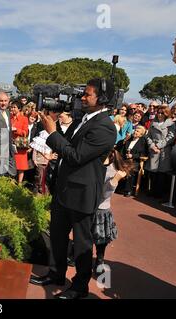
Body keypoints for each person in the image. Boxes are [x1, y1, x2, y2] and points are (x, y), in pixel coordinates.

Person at [30, 78, 117, 299]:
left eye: (87, 94)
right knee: (58, 237)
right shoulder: (82, 119)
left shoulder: (105, 127)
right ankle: (57, 274)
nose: (82, 98)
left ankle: (80, 287)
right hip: (64, 190)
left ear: (102, 98)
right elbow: (64, 144)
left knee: (81, 244)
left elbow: (76, 156)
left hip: (82, 194)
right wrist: (52, 123)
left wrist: (52, 133)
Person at [92, 149, 132, 276]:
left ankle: (99, 261)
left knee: (101, 239)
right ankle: (80, 257)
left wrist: (115, 180)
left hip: (101, 209)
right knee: (87, 236)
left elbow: (104, 194)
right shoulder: (99, 165)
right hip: (92, 207)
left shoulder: (111, 169)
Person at [145, 105, 176, 199]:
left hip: (164, 150)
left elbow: (171, 137)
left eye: (162, 113)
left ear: (166, 113)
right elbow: (147, 136)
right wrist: (152, 145)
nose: (159, 114)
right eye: (158, 112)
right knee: (152, 171)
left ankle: (159, 193)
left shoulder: (171, 123)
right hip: (153, 149)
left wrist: (159, 145)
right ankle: (152, 191)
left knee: (162, 173)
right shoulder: (153, 122)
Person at [122, 125, 148, 197]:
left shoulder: (142, 141)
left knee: (131, 169)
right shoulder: (129, 139)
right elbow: (122, 149)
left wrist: (132, 156)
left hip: (135, 161)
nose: (135, 132)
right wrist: (124, 140)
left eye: (137, 131)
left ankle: (128, 190)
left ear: (141, 134)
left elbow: (143, 153)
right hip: (124, 159)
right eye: (135, 130)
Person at [10, 101, 29, 184]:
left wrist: (16, 130)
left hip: (20, 144)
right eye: (12, 107)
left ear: (19, 108)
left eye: (15, 107)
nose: (13, 109)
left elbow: (25, 132)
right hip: (11, 143)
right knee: (11, 162)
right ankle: (11, 181)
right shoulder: (9, 118)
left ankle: (20, 183)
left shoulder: (24, 118)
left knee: (21, 165)